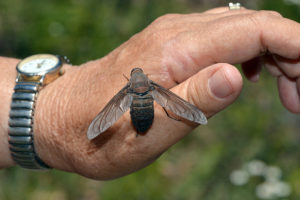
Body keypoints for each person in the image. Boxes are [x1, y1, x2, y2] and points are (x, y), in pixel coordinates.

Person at [0, 6, 299, 180]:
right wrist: (54, 112)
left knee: (160, 109)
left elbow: (110, 113)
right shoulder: (154, 88)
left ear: (131, 82)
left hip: (138, 112)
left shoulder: (126, 92)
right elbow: (170, 104)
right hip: (146, 111)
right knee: (173, 106)